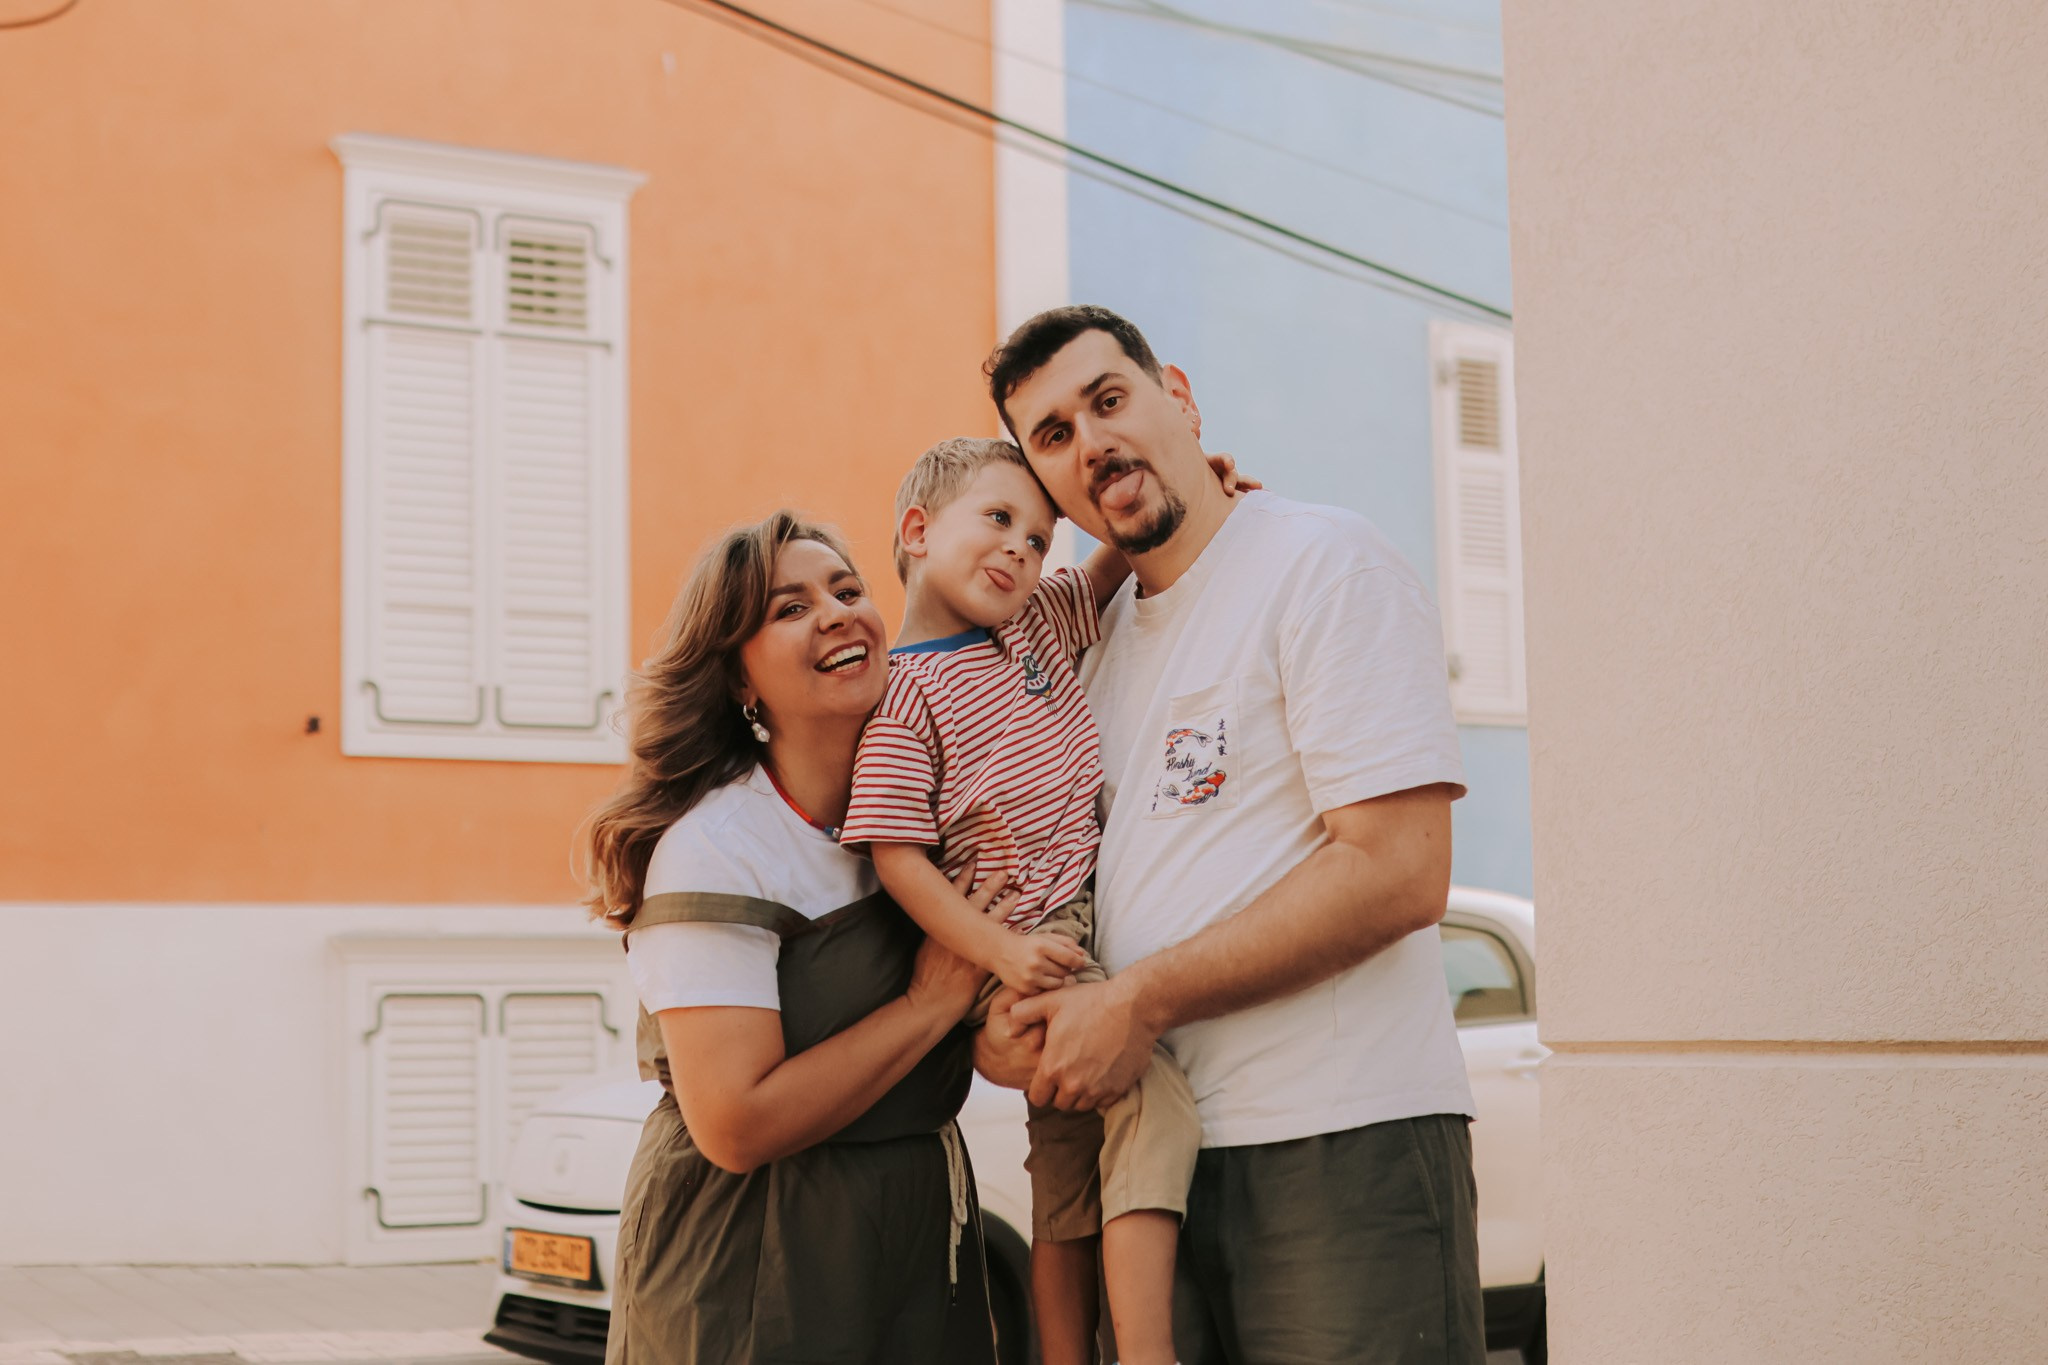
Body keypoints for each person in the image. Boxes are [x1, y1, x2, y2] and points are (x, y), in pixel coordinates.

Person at [975, 306, 1485, 1364]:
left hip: (1337, 1144)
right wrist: (1011, 1025)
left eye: (1108, 401)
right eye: (1053, 437)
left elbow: (1397, 871)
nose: (1092, 443)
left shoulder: (1322, 564)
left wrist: (1137, 999)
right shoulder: (1091, 647)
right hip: (1153, 1170)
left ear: (1180, 397)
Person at [839, 437, 1249, 1365]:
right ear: (916, 530)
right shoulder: (903, 698)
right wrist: (996, 951)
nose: (1023, 549)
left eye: (1037, 533)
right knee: (1154, 1104)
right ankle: (1149, 1354)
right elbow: (897, 856)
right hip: (1020, 945)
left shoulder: (1034, 631)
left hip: (1068, 933)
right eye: (998, 520)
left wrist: (1193, 480)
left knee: (1065, 1176)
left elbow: (1106, 567)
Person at [580, 511, 1008, 1365]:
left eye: (848, 590)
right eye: (790, 608)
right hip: (748, 1264)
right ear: (741, 677)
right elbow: (735, 1123)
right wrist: (932, 1001)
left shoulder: (929, 822)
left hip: (915, 1242)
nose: (838, 612)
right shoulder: (719, 845)